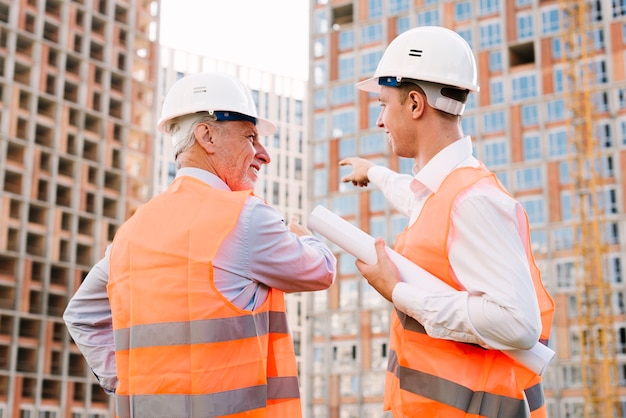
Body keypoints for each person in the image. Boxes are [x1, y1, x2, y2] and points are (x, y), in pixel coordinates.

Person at [64, 72, 337, 418]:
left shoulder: (132, 232)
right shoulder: (245, 216)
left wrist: (132, 380)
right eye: (250, 137)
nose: (263, 154)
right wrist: (305, 238)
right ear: (206, 135)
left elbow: (82, 314)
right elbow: (321, 271)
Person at [340, 26, 554, 417]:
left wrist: (398, 291)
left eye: (383, 105)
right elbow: (419, 197)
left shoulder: (473, 201)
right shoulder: (446, 191)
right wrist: (373, 173)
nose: (379, 121)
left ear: (416, 104)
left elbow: (518, 324)